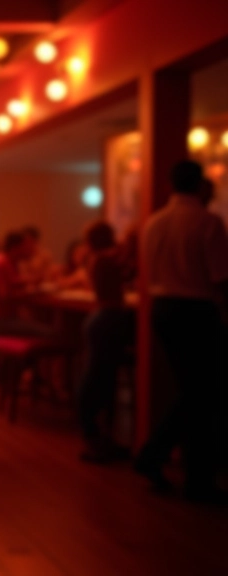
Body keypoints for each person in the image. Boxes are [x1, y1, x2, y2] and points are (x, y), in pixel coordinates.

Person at [134, 160, 228, 503]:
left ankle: (159, 459)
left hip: (162, 310)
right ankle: (194, 479)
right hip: (197, 312)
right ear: (201, 185)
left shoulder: (153, 223)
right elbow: (221, 278)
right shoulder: (208, 222)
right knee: (205, 393)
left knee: (194, 391)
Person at [77, 220, 134, 464]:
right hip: (108, 319)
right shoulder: (105, 259)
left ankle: (99, 439)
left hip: (100, 319)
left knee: (98, 379)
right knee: (98, 380)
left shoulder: (96, 259)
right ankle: (96, 438)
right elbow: (129, 270)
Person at [0, 230, 52, 337]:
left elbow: (13, 281)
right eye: (26, 247)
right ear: (16, 248)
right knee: (51, 332)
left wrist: (31, 281)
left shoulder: (2, 260)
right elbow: (5, 296)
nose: (31, 250)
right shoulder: (1, 263)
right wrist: (34, 293)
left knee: (40, 325)